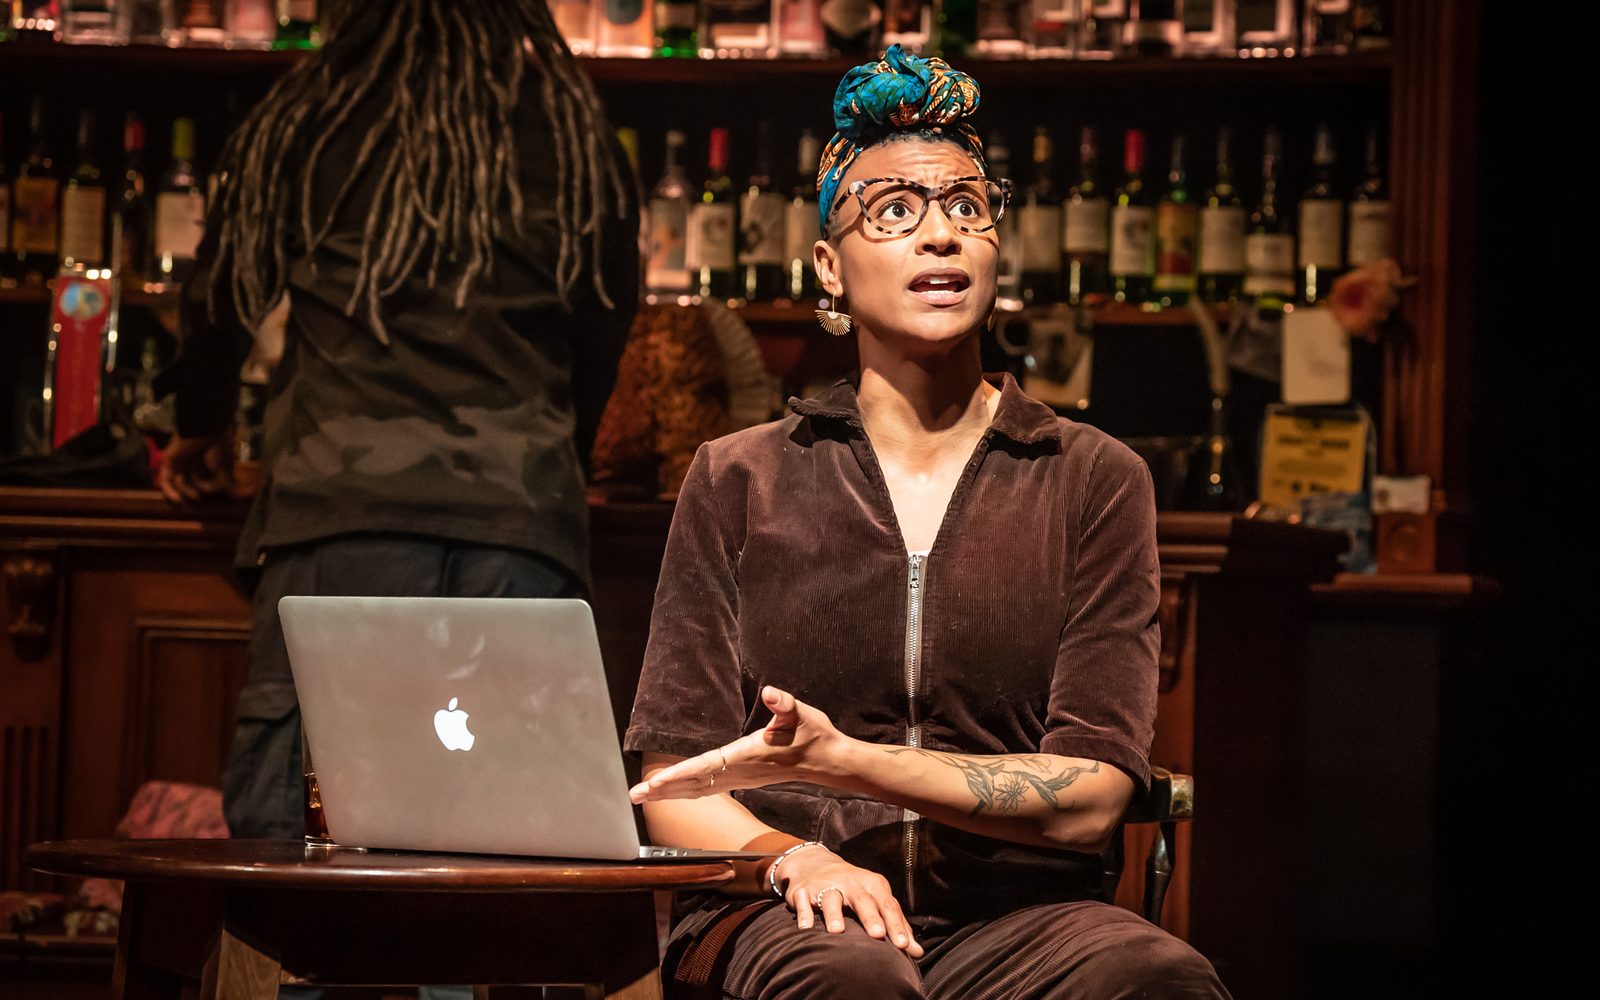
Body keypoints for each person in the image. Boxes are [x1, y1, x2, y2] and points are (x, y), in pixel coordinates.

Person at [623, 47, 1230, 999]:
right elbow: (674, 777)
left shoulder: (1094, 480)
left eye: (965, 208)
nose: (939, 236)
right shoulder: (742, 476)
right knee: (852, 982)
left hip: (1021, 918)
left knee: (1156, 975)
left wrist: (845, 763)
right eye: (894, 212)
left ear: (997, 248)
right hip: (789, 907)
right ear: (829, 267)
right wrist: (796, 858)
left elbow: (1095, 795)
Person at [154, 0, 639, 841]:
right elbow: (603, 325)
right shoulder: (566, 125)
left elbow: (220, 305)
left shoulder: (310, 112)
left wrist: (199, 427)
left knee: (299, 856)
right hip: (518, 531)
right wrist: (566, 454)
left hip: (340, 526)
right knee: (507, 849)